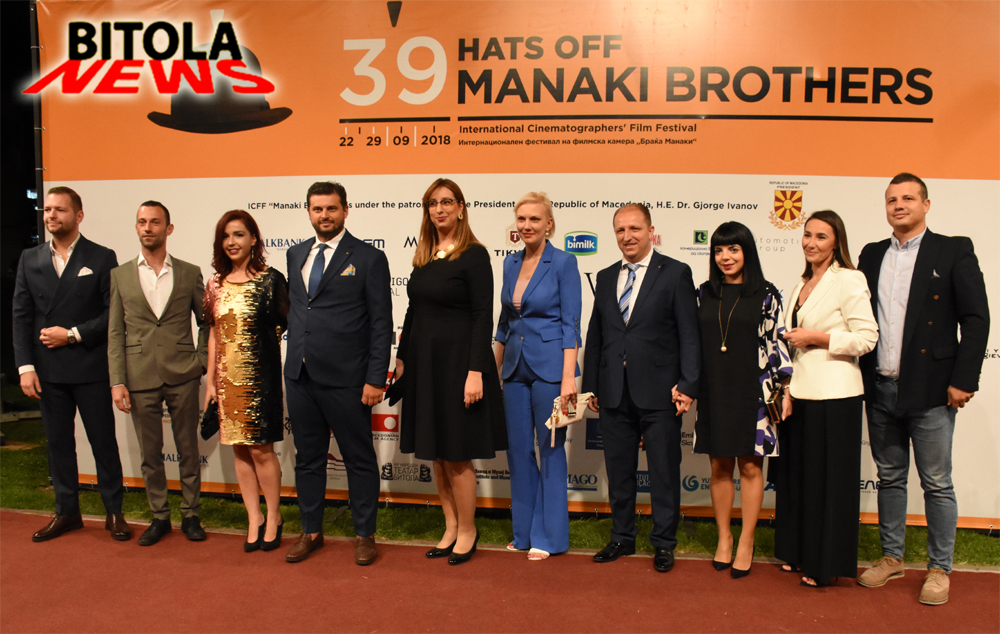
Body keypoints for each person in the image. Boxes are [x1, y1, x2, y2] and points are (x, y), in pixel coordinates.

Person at [856, 173, 989, 605]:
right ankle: (892, 557)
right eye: (892, 199)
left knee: (936, 482)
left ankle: (939, 568)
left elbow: (976, 319)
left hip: (932, 389)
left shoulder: (953, 249)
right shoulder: (872, 254)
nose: (899, 205)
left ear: (926, 205)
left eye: (908, 198)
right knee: (890, 477)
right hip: (881, 386)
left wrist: (963, 379)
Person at [583, 203, 700, 573]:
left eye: (634, 228)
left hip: (661, 392)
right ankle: (622, 537)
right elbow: (597, 334)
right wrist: (592, 386)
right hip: (613, 391)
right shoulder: (605, 276)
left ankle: (664, 543)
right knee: (619, 472)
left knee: (664, 472)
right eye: (620, 230)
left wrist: (688, 384)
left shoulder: (676, 273)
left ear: (651, 231)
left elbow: (689, 335)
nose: (627, 236)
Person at [396, 178, 507, 566]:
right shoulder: (425, 255)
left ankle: (468, 530)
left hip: (459, 365)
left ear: (461, 208)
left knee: (457, 455)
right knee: (438, 455)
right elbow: (413, 311)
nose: (439, 209)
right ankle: (450, 526)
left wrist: (476, 371)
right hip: (425, 366)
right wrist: (402, 358)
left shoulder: (474, 255)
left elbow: (482, 317)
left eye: (446, 202)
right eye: (432, 203)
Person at [12, 186, 131, 542]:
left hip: (90, 367)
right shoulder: (29, 258)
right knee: (58, 443)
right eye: (48, 209)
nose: (51, 215)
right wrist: (25, 367)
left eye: (59, 210)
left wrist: (73, 334)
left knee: (103, 442)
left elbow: (113, 314)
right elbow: (21, 316)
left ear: (78, 216)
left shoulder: (101, 256)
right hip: (47, 370)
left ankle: (114, 511)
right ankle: (66, 512)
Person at [283, 182, 392, 565]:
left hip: (348, 378)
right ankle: (311, 531)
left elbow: (381, 322)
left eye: (331, 208)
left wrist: (375, 378)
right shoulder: (295, 253)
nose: (324, 216)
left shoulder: (369, 257)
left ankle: (364, 534)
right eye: (317, 209)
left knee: (358, 458)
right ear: (308, 212)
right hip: (300, 375)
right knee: (308, 459)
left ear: (345, 210)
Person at [773, 210, 878, 588]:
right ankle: (799, 552)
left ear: (836, 243)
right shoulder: (800, 283)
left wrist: (818, 338)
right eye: (807, 235)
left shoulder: (849, 279)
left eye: (821, 236)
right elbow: (790, 346)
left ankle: (826, 564)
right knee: (800, 479)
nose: (811, 243)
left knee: (829, 484)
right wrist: (786, 390)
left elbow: (867, 338)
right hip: (800, 394)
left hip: (836, 396)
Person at [694, 221, 792, 578]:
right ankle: (724, 537)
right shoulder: (704, 293)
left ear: (746, 251)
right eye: (719, 250)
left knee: (751, 468)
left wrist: (784, 389)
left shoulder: (766, 294)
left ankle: (747, 540)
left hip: (753, 391)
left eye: (733, 249)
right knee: (719, 467)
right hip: (713, 389)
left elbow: (776, 344)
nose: (726, 257)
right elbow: (692, 343)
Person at [108, 201, 209, 546]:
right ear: (136, 227)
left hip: (183, 372)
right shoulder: (120, 275)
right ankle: (160, 516)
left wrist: (201, 361)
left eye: (154, 222)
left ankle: (191, 514)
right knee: (150, 454)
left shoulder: (189, 272)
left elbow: (206, 322)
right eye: (142, 222)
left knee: (188, 449)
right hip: (138, 376)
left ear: (169, 228)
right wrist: (118, 380)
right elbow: (115, 333)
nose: (147, 227)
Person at [494, 192, 581, 560]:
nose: (527, 225)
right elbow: (505, 322)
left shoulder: (563, 262)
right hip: (514, 368)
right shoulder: (510, 263)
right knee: (517, 451)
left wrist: (568, 378)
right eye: (522, 219)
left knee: (551, 449)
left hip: (552, 370)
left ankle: (549, 537)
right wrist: (493, 368)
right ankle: (524, 533)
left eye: (534, 219)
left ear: (549, 224)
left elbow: (571, 324)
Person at [203, 210, 288, 553]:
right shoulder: (215, 283)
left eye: (238, 234)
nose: (232, 242)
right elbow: (213, 333)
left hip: (261, 378)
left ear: (254, 239)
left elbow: (284, 327)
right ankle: (254, 517)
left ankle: (274, 515)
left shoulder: (271, 280)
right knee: (239, 450)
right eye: (226, 236)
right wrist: (211, 382)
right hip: (227, 382)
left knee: (261, 450)